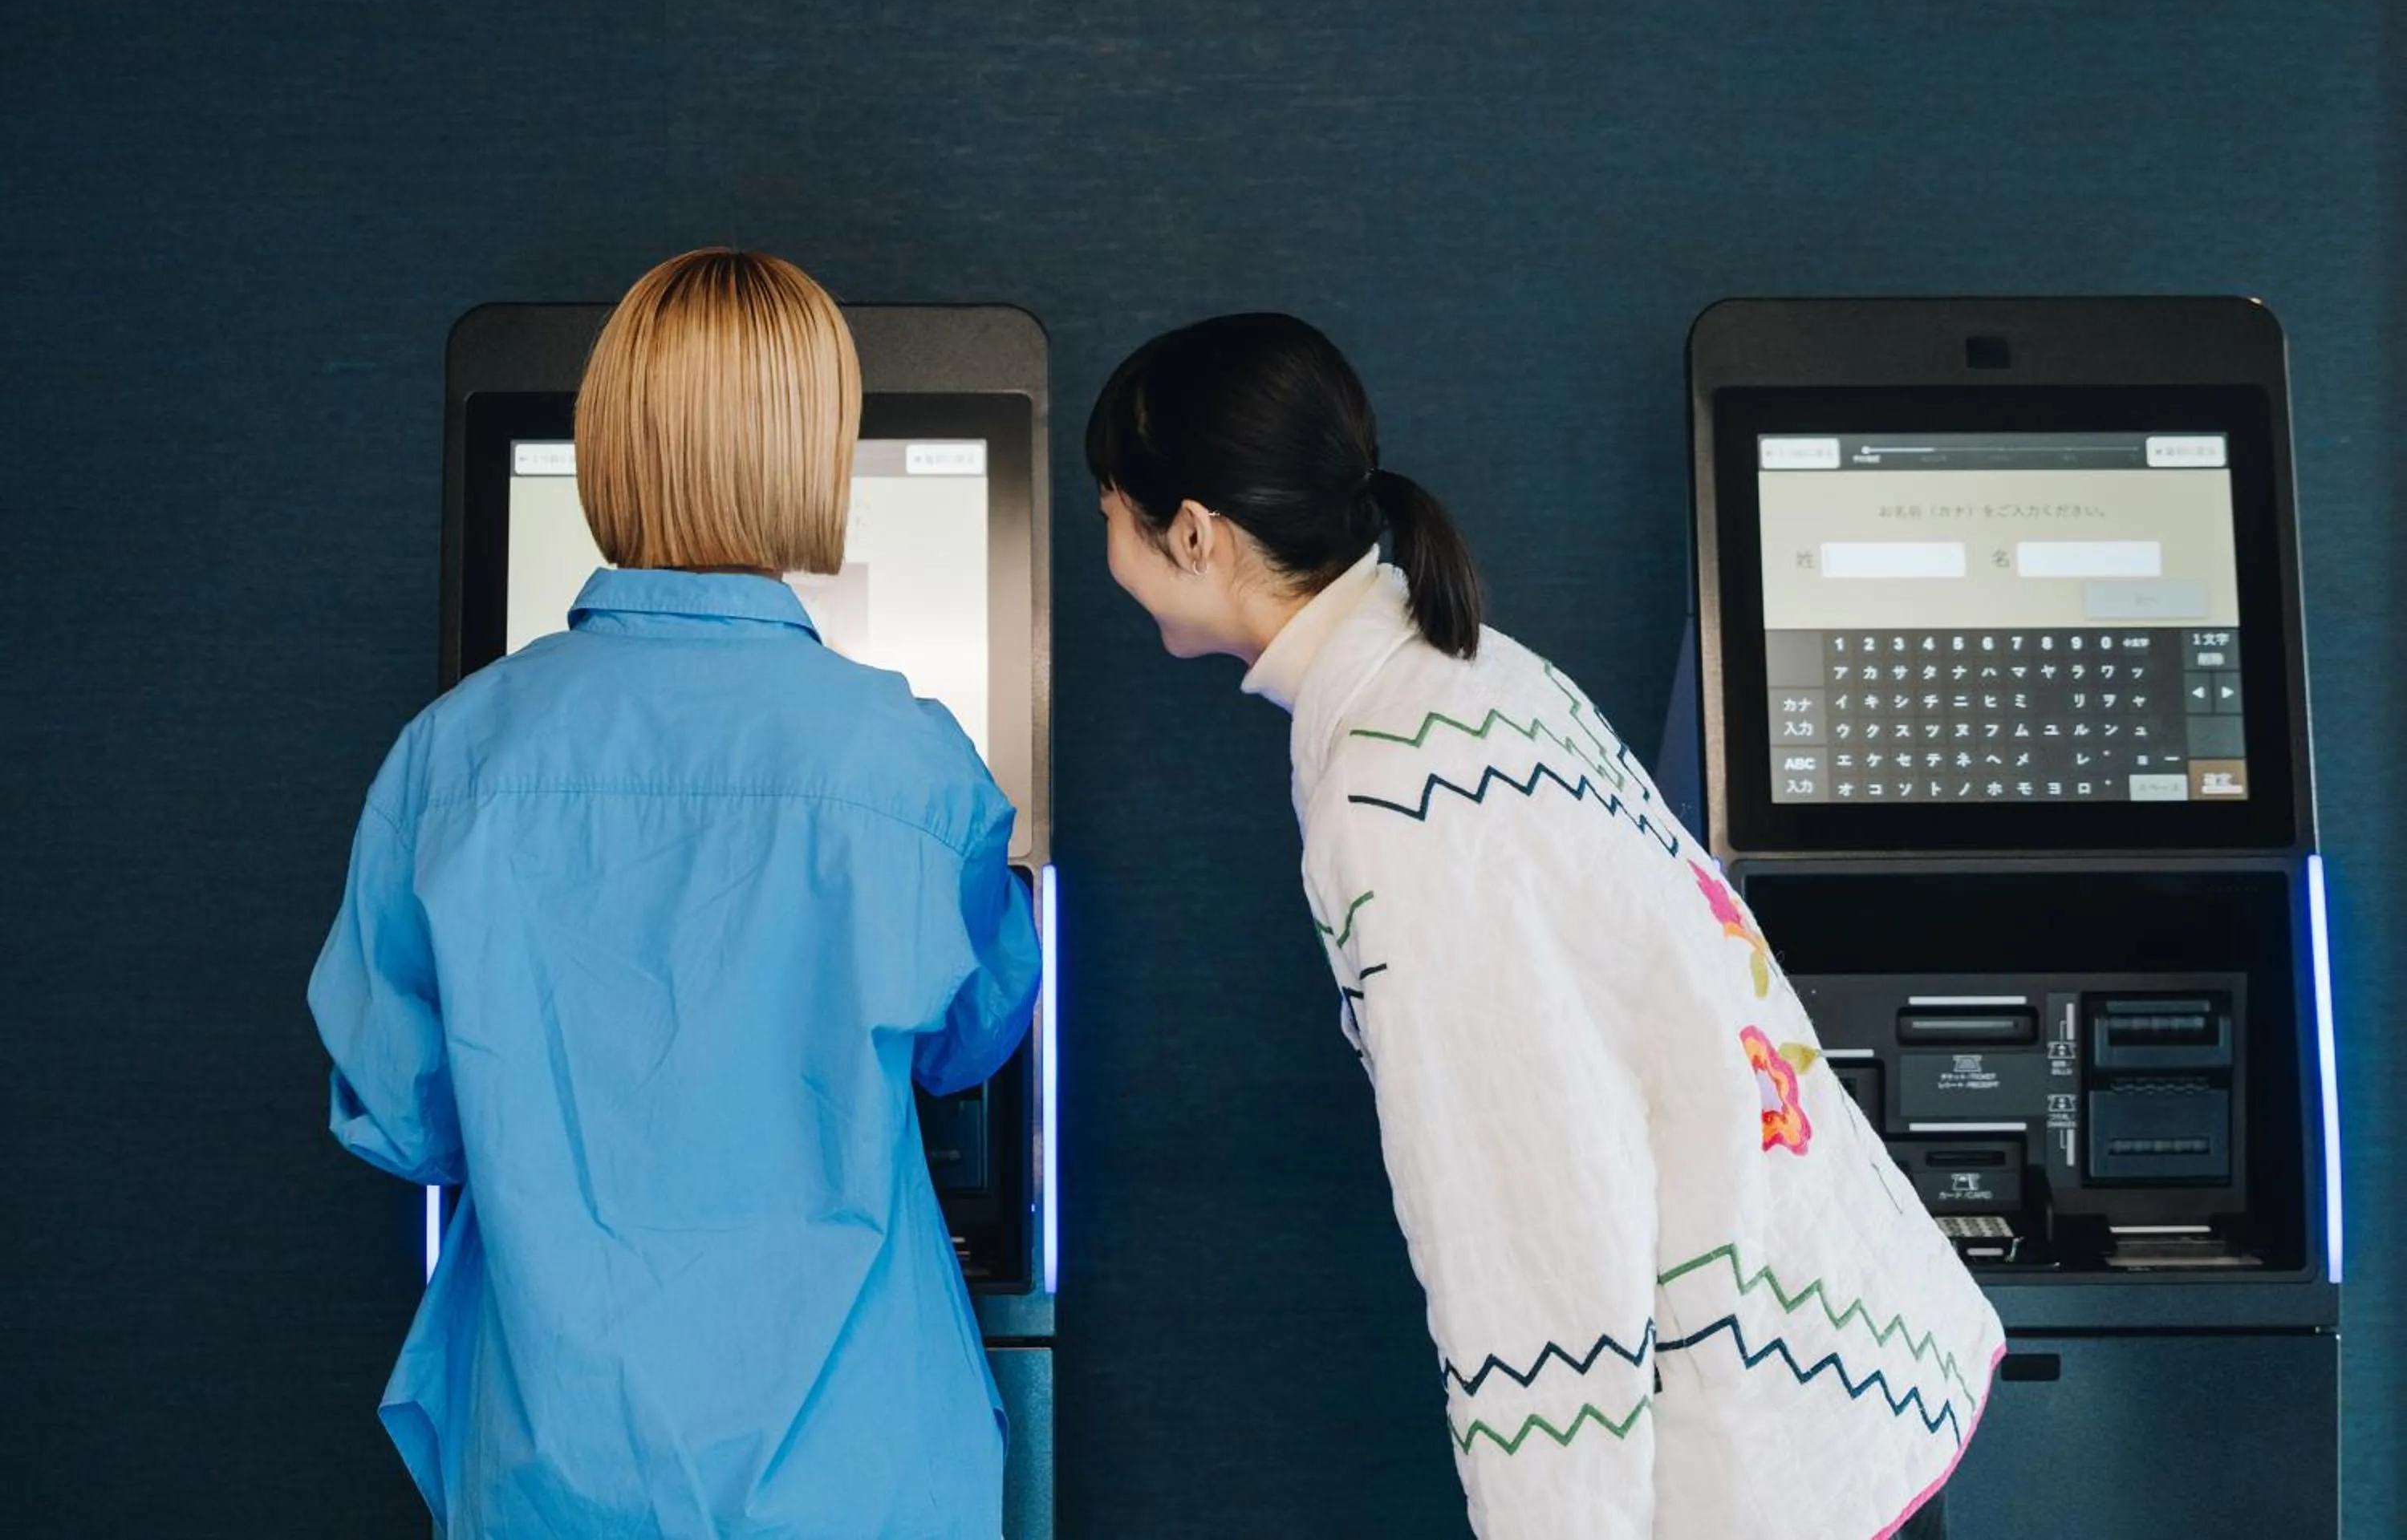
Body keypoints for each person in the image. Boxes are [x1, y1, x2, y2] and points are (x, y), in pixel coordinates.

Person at [1087, 312, 2001, 1540]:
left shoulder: (1387, 788)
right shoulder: (1468, 669)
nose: (1102, 535)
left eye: (1108, 506)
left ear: (1193, 531)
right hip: (1842, 1362)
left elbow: (1527, 1207)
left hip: (1769, 1435)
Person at [309, 249, 1038, 1538]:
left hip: (549, 1472)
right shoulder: (909, 762)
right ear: (814, 453)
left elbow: (405, 1122)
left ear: (608, 443)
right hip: (856, 1471)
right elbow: (972, 1035)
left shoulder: (452, 760)